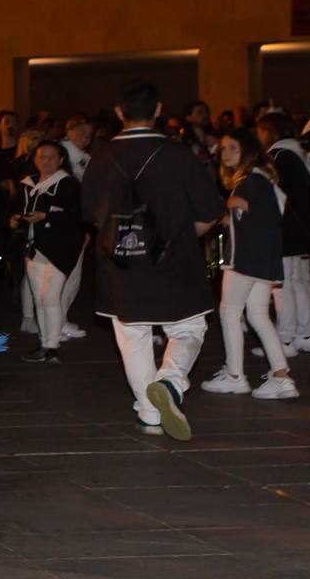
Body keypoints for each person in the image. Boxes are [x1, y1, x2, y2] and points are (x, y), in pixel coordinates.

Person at [81, 82, 223, 439]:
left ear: (118, 113)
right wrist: (180, 236)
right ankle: (171, 383)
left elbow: (91, 214)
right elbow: (210, 211)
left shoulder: (100, 157)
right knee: (189, 327)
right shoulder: (177, 154)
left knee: (133, 336)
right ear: (158, 110)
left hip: (120, 261)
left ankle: (149, 411)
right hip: (173, 260)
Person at [199, 130, 298, 400]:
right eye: (223, 148)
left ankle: (234, 375)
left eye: (233, 148)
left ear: (248, 151)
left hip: (246, 258)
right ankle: (281, 376)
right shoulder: (262, 180)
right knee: (257, 316)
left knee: (229, 312)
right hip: (264, 260)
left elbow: (243, 208)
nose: (226, 153)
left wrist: (228, 205)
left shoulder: (250, 181)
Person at [14, 140, 83, 363]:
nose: (46, 161)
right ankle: (45, 343)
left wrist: (46, 216)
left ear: (61, 160)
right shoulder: (27, 184)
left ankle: (52, 346)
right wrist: (14, 219)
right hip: (33, 247)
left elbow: (76, 216)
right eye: (41, 157)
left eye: (51, 157)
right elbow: (14, 209)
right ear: (34, 160)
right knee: (39, 298)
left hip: (59, 248)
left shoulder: (68, 184)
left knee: (50, 297)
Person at [259, 113, 310, 355]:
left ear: (270, 132)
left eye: (261, 130)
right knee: (297, 282)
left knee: (282, 285)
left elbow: (274, 199)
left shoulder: (278, 157)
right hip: (300, 228)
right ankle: (305, 333)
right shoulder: (298, 154)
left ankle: (285, 339)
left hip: (284, 230)